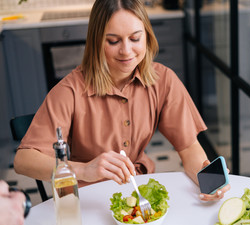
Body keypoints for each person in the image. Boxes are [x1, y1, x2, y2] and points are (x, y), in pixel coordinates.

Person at [14, 0, 230, 201]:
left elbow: (189, 148)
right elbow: (24, 160)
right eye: (113, 41)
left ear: (147, 36)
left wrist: (207, 180)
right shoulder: (69, 90)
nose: (126, 51)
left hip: (139, 191)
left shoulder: (162, 80)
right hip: (89, 197)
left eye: (135, 38)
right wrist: (84, 170)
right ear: (97, 41)